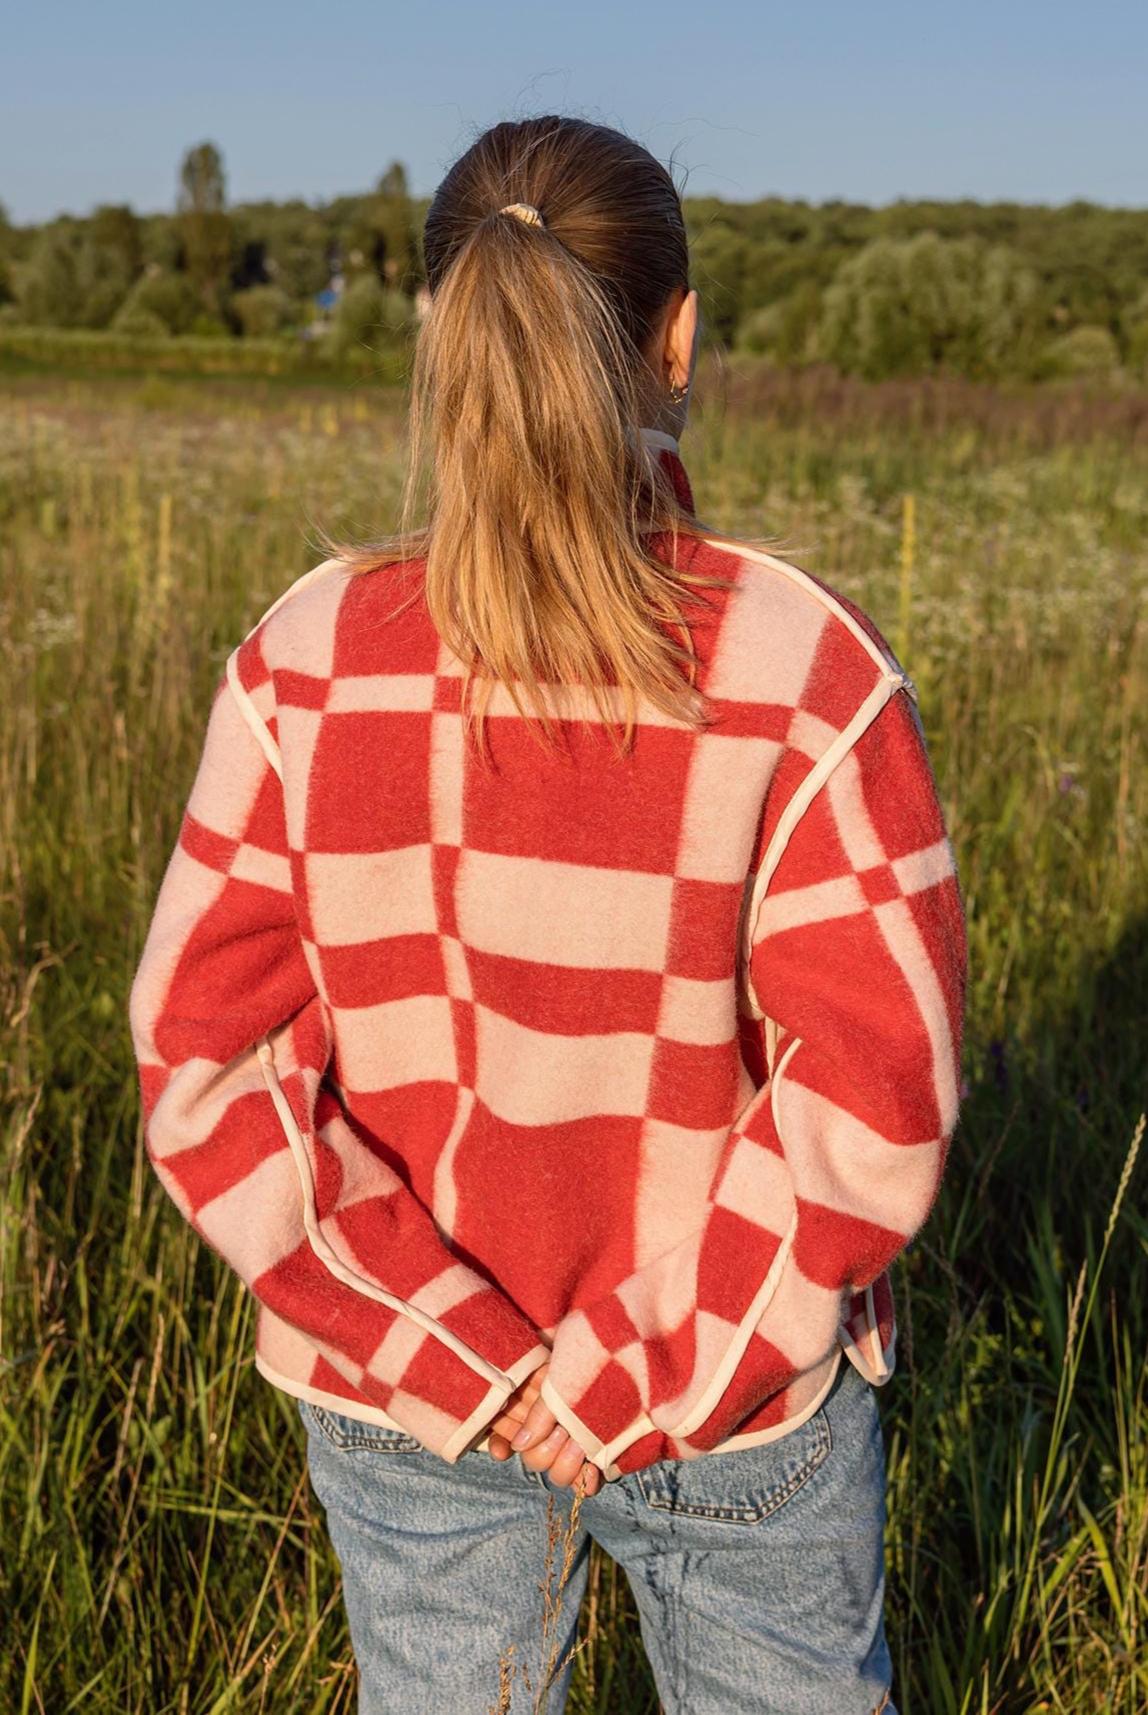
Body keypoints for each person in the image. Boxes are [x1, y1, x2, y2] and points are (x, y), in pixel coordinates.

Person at [128, 114, 967, 1715]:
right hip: (740, 1401)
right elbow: (875, 1108)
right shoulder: (805, 673)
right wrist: (635, 1375)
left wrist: (461, 1358)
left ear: (439, 341)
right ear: (678, 337)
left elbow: (207, 1070)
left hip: (406, 1400)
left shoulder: (305, 656)